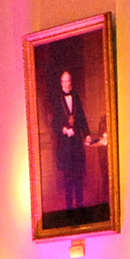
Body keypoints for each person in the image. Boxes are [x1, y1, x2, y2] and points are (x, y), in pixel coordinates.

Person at [51, 69, 88, 213]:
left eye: (68, 81)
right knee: (68, 178)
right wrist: (65, 130)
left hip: (77, 145)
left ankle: (79, 206)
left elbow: (82, 118)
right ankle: (69, 209)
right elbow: (54, 123)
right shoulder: (57, 100)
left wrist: (87, 133)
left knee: (78, 175)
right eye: (64, 81)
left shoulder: (76, 97)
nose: (67, 84)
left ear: (71, 83)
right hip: (65, 147)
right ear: (61, 84)